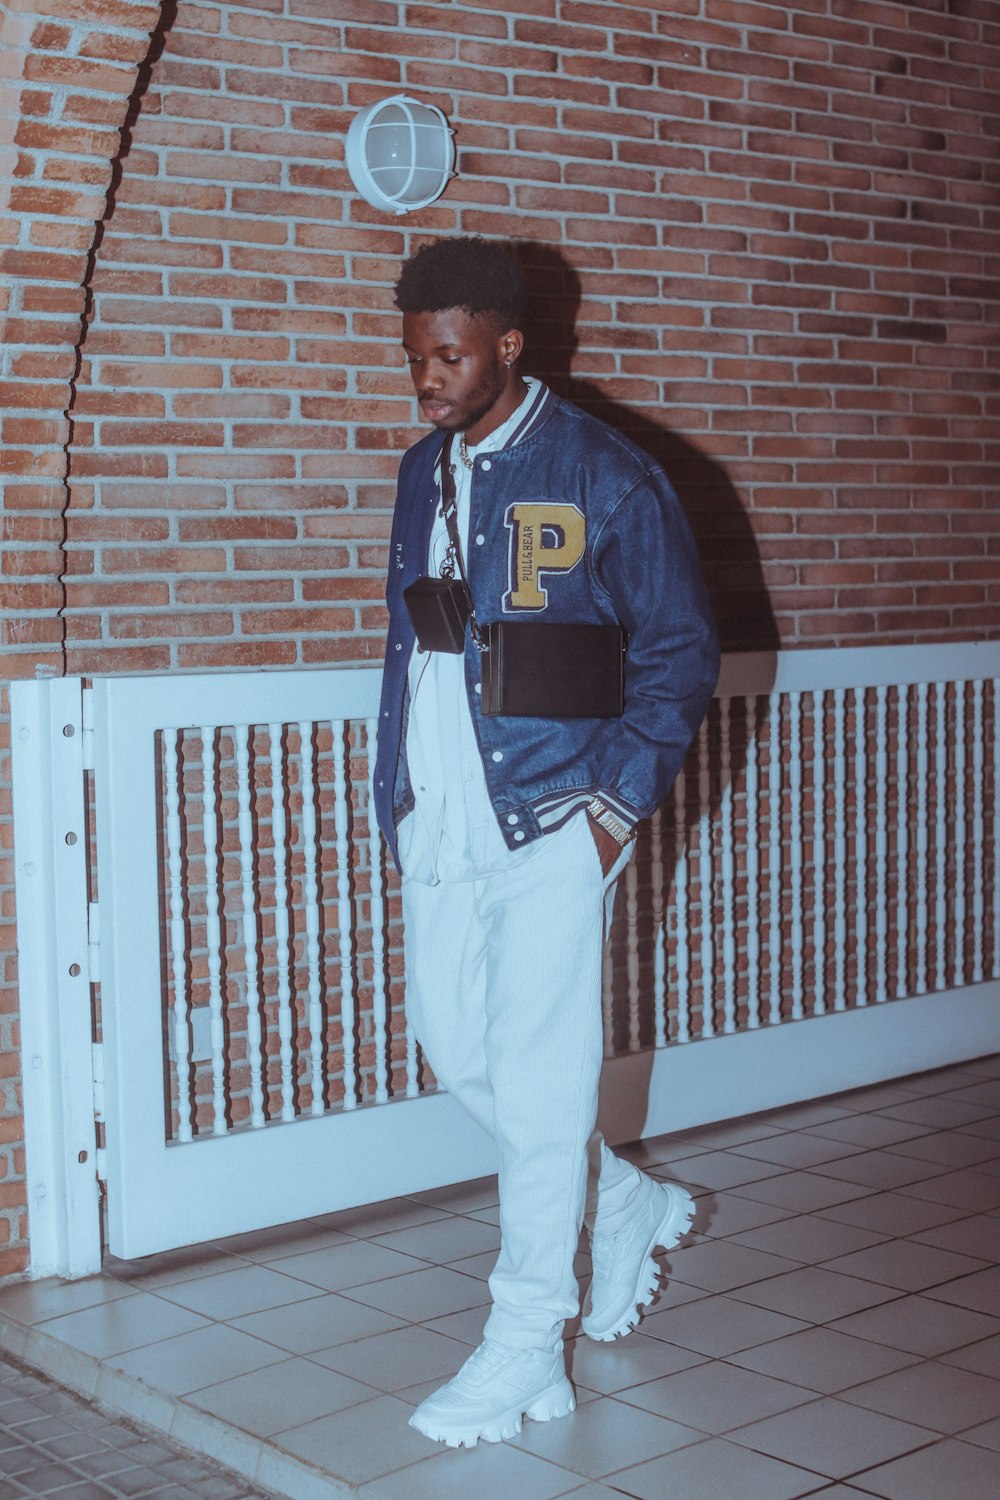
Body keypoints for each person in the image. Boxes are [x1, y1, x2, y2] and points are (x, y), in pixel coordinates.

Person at [372, 236, 720, 1449]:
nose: (426, 374)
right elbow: (417, 644)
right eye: (416, 353)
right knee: (453, 1045)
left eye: (449, 354)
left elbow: (678, 651)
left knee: (536, 1073)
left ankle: (526, 1340)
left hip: (557, 807)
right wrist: (400, 795)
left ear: (508, 347)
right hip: (444, 804)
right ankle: (618, 1201)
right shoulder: (423, 469)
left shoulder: (604, 470)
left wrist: (615, 809)